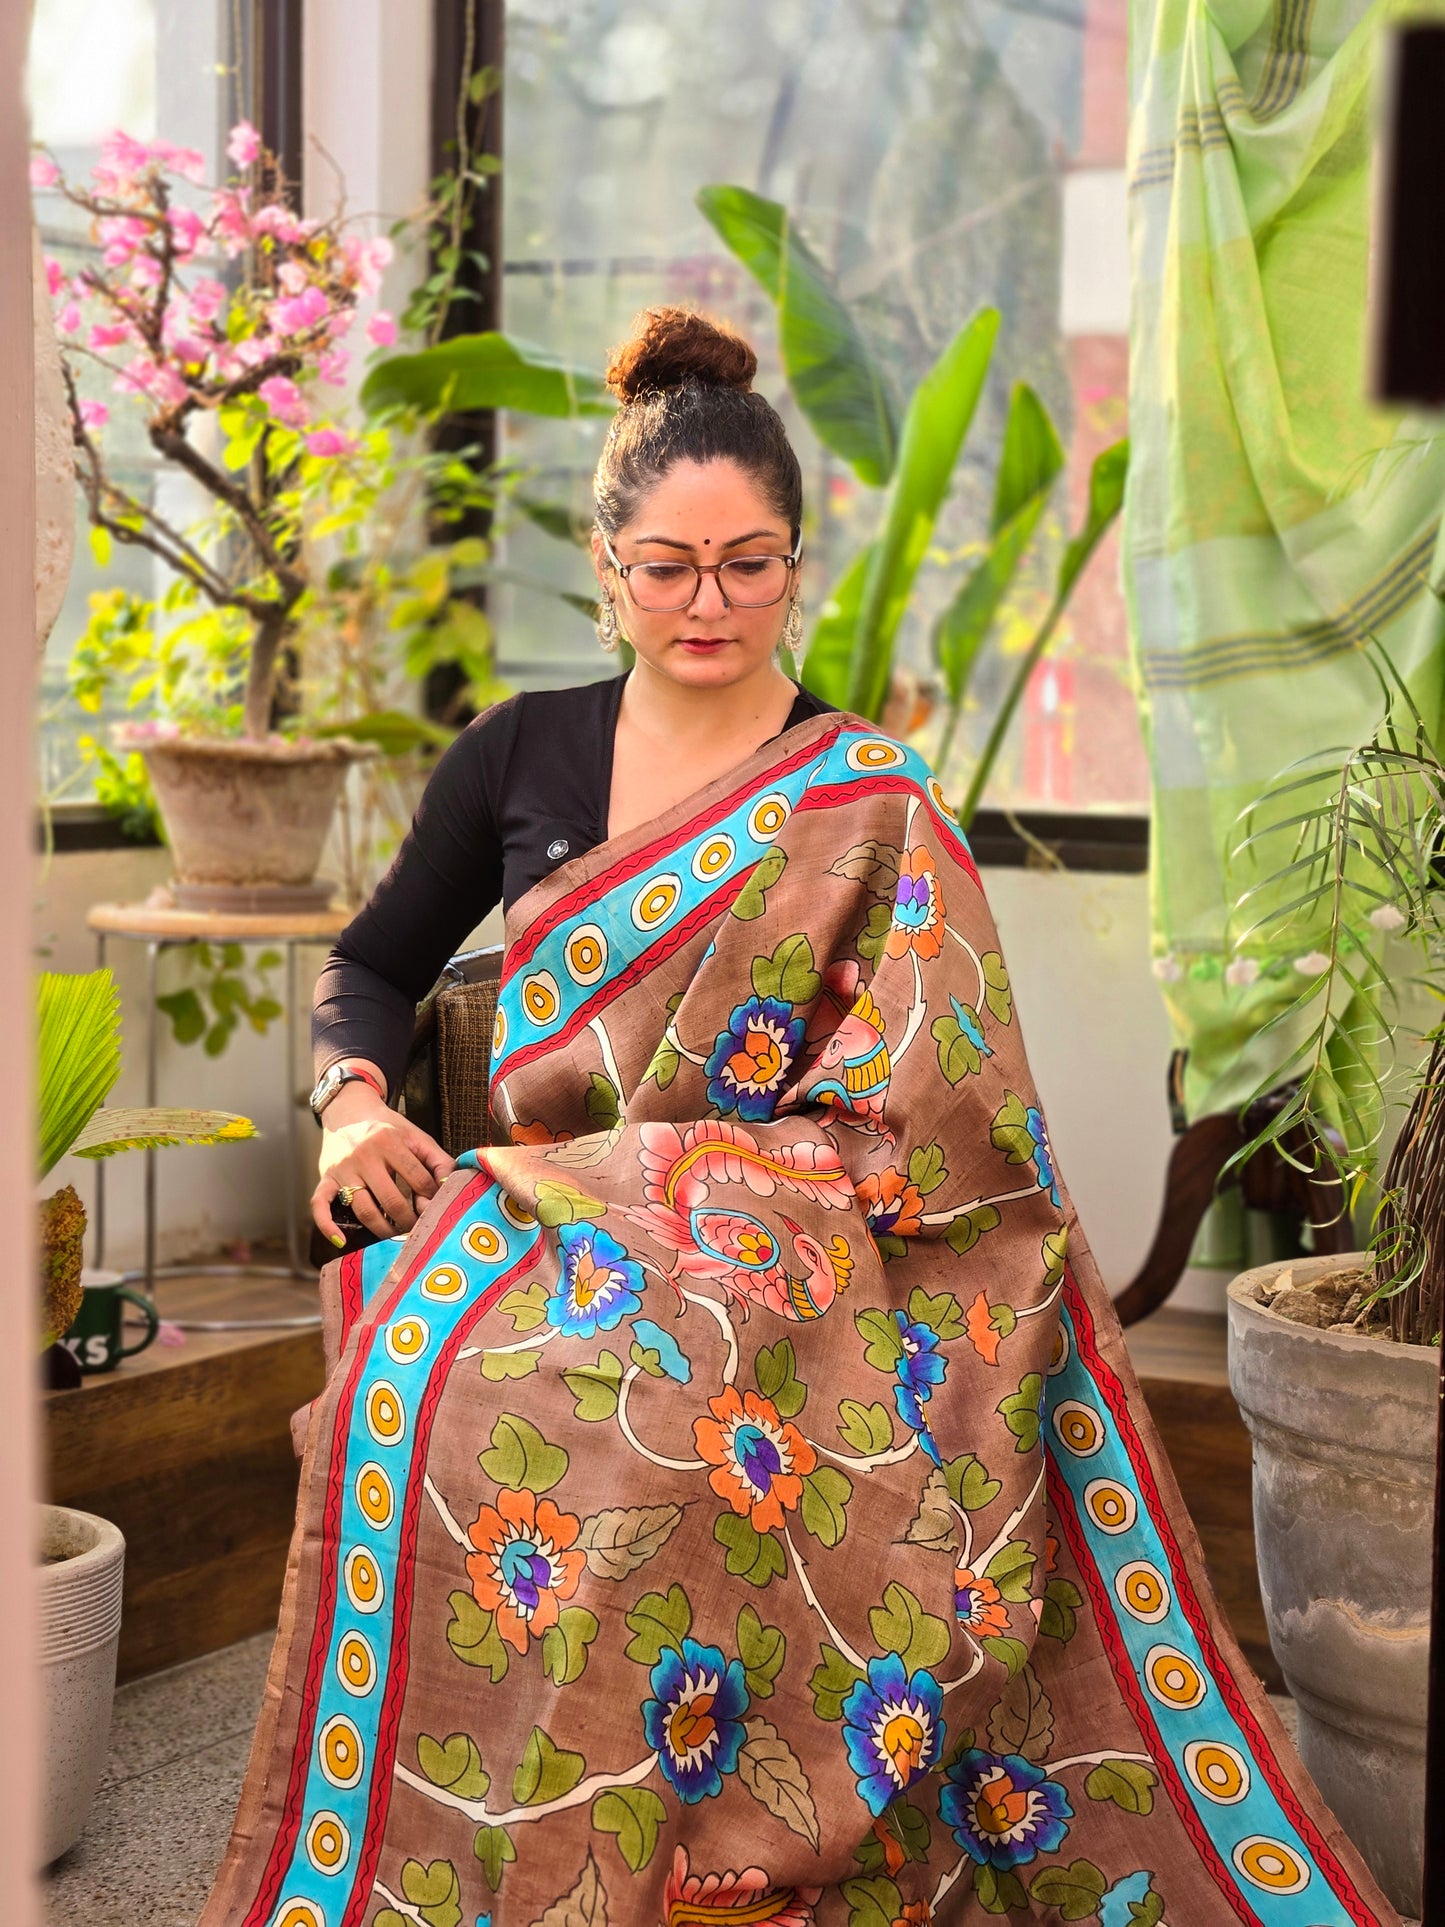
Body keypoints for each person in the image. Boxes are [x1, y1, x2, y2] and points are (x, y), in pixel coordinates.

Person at [203, 312, 1393, 1927]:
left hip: (807, 1233)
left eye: (748, 565)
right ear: (608, 562)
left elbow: (949, 1108)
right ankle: (531, 1832)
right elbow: (369, 963)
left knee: (679, 1409)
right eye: (671, 565)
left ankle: (714, 1830)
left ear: (793, 565)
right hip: (547, 1216)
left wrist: (729, 1186)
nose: (709, 603)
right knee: (455, 1397)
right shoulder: (519, 751)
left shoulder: (864, 796)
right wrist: (351, 1102)